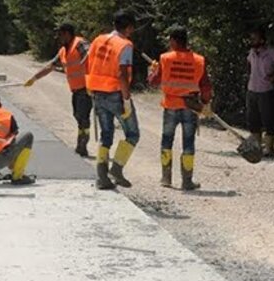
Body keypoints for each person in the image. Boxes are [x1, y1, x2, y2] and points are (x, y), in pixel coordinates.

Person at [148, 26, 213, 190]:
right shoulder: (199, 60)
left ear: (174, 41)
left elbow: (154, 81)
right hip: (190, 107)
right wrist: (205, 103)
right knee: (189, 144)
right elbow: (205, 86)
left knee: (166, 141)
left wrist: (152, 71)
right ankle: (187, 181)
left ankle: (166, 178)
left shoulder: (165, 58)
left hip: (170, 106)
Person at [86, 10, 140, 190]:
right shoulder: (125, 45)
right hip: (116, 94)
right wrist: (126, 99)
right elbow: (122, 73)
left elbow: (89, 63)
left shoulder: (98, 40)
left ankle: (102, 177)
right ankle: (116, 169)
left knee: (106, 134)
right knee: (132, 134)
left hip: (97, 93)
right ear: (128, 27)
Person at [24, 23, 92, 156]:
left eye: (60, 35)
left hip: (86, 88)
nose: (59, 38)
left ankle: (82, 145)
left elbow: (91, 57)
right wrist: (34, 78)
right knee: (78, 116)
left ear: (67, 33)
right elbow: (51, 66)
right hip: (76, 90)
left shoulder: (80, 43)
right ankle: (81, 143)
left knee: (83, 117)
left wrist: (92, 81)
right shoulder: (63, 51)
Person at [246, 26, 274, 157]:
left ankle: (269, 148)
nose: (252, 40)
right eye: (251, 38)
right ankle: (255, 147)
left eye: (255, 38)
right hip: (252, 89)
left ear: (262, 39)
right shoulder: (252, 52)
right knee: (252, 119)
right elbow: (248, 63)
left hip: (265, 90)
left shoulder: (271, 52)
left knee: (267, 119)